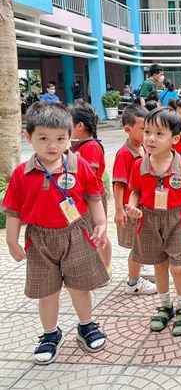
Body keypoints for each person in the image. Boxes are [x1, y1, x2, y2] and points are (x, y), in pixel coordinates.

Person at [2, 102, 109, 365]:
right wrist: (11, 240)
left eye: (60, 139)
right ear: (28, 137)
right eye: (44, 138)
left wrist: (101, 224)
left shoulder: (78, 165)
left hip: (76, 234)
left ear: (70, 136)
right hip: (39, 240)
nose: (52, 146)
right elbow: (13, 210)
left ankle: (86, 325)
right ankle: (50, 334)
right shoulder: (21, 173)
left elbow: (93, 196)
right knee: (47, 292)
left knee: (79, 287)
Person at [125, 107, 181, 336]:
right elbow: (135, 191)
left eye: (159, 133)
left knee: (177, 267)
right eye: (147, 131)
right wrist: (132, 207)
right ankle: (165, 306)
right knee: (159, 265)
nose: (151, 138)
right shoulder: (139, 165)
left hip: (176, 220)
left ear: (175, 139)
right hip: (148, 219)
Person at [112, 104, 156, 296]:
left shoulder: (143, 148)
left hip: (142, 207)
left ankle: (138, 270)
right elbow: (118, 184)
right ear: (128, 129)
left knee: (141, 243)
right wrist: (119, 210)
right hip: (131, 208)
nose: (147, 134)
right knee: (136, 245)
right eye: (143, 129)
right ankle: (133, 282)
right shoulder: (124, 153)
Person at [70, 103, 113, 278]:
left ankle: (106, 267)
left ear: (80, 126)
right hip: (84, 197)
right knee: (87, 232)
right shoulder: (80, 145)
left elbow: (89, 174)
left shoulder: (91, 147)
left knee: (99, 232)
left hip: (93, 197)